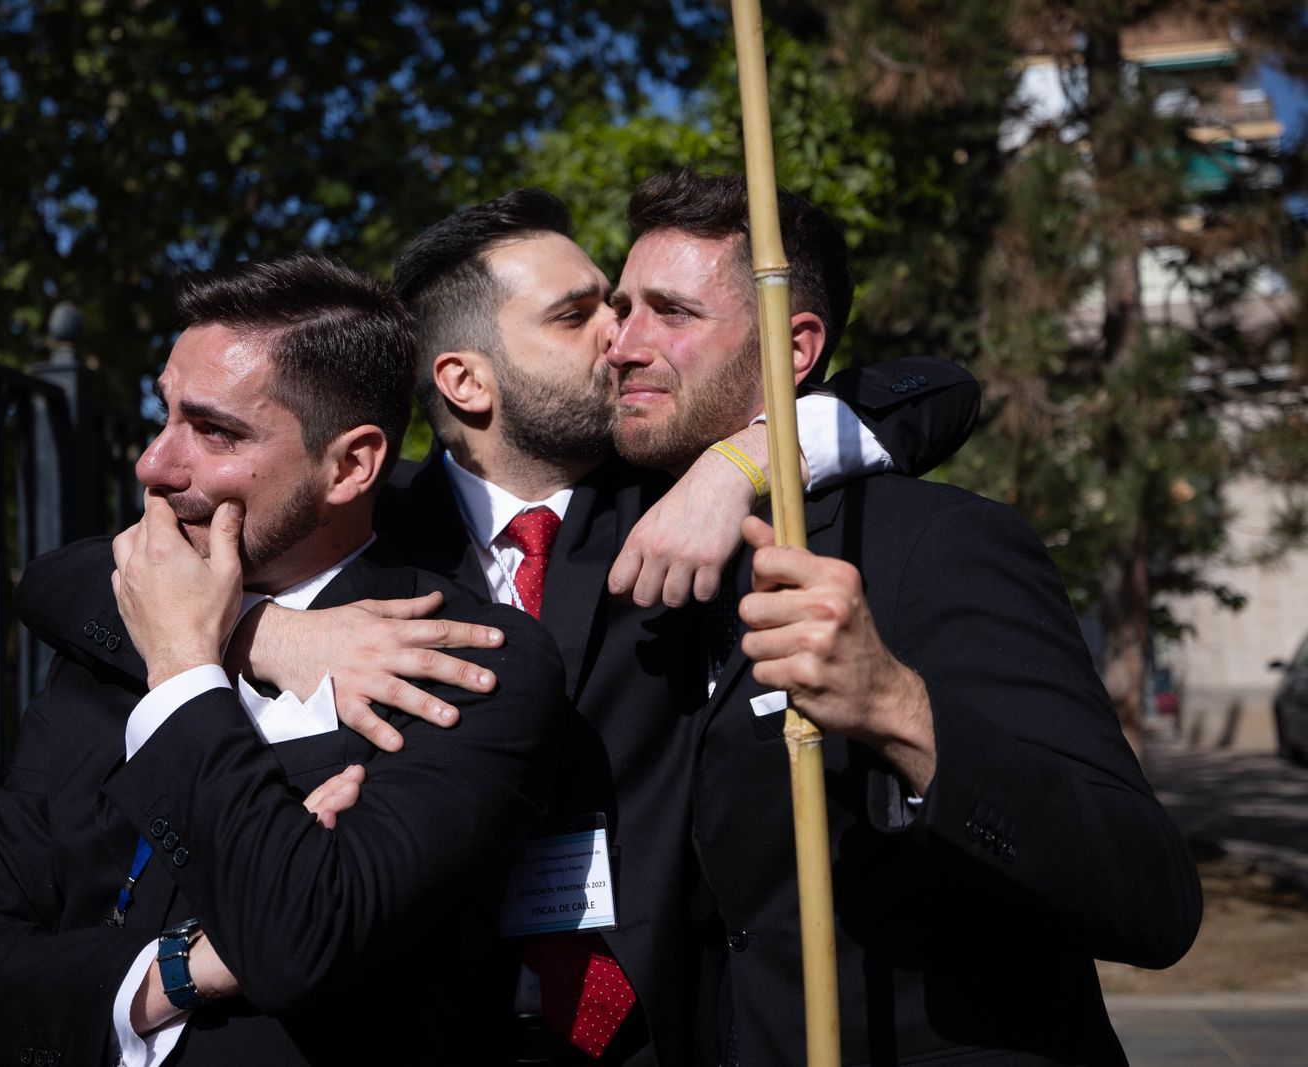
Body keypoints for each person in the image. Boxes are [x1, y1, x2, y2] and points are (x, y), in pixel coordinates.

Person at [361, 188, 978, 1064]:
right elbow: (151, 558)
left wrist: (740, 463)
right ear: (465, 380)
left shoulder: (673, 485)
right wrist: (268, 634)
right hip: (430, 1029)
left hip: (664, 1028)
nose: (620, 338)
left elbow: (935, 391)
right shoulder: (366, 535)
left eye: (614, 306)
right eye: (577, 315)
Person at [605, 169, 1203, 1064]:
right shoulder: (620, 545)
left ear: (793, 348)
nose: (622, 344)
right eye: (620, 310)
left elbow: (1151, 897)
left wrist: (897, 707)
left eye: (673, 313)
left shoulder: (942, 543)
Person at [0, 253, 569, 1066]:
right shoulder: (107, 649)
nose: (154, 463)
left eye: (214, 431)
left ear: (350, 465)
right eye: (165, 414)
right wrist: (181, 969)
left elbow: (296, 940)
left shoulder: (466, 668)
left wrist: (186, 667)